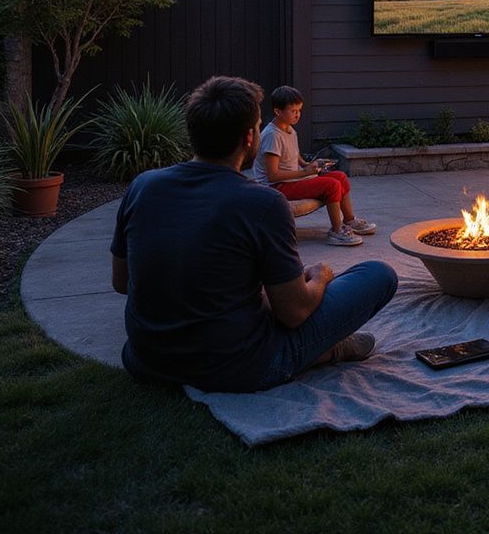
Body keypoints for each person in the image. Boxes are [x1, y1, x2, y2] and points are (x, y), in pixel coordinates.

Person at [110, 75, 398, 393]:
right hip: (237, 368)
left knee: (266, 293)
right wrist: (321, 276)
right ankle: (326, 349)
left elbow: (122, 283)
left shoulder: (143, 186)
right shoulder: (263, 202)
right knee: (378, 274)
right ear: (249, 137)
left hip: (146, 360)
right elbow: (294, 313)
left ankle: (321, 344)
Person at [251, 84, 376, 247]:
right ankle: (336, 231)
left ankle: (350, 220)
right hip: (276, 186)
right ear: (278, 111)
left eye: (299, 110)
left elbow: (296, 157)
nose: (298, 115)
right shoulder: (272, 135)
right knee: (331, 185)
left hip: (290, 180)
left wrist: (312, 165)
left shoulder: (289, 129)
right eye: (293, 111)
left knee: (340, 177)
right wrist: (304, 172)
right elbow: (273, 175)